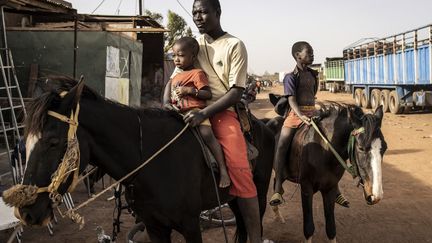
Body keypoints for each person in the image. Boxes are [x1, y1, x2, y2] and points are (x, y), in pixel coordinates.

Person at [181, 0, 263, 242]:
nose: (198, 16)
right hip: (189, 108)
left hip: (220, 112)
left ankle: (256, 238)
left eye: (204, 12)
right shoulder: (192, 45)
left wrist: (204, 114)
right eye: (195, 12)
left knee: (240, 170)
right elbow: (178, 75)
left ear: (217, 12)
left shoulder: (234, 45)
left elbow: (236, 92)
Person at [269, 41, 349, 208]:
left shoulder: (313, 75)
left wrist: (312, 113)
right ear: (298, 56)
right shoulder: (291, 77)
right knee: (282, 143)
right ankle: (277, 187)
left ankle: (336, 189)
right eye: (309, 53)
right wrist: (301, 116)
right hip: (295, 115)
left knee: (331, 143)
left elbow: (312, 95)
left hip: (313, 113)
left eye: (313, 53)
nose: (312, 56)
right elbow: (291, 100)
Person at [163, 37, 230, 188]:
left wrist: (190, 90)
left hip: (195, 111)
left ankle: (223, 169)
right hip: (177, 112)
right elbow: (168, 93)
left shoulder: (197, 73)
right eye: (174, 55)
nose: (176, 59)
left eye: (181, 55)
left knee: (207, 134)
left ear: (193, 56)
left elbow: (207, 94)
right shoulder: (175, 76)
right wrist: (166, 103)